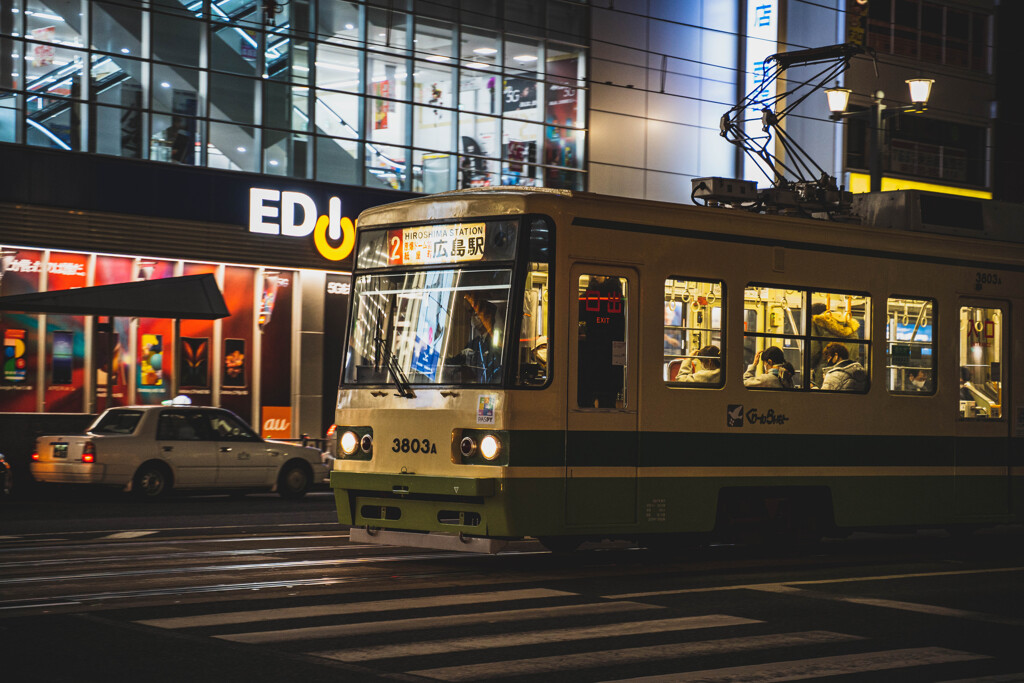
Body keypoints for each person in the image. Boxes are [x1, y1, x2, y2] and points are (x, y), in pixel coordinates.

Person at [447, 296, 501, 383]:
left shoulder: (497, 342)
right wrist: (462, 354)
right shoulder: (476, 342)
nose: (473, 318)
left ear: (488, 317)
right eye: (472, 315)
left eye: (476, 315)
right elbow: (455, 361)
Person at [809, 303, 860, 386]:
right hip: (850, 375)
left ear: (813, 316)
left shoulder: (817, 324)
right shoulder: (852, 328)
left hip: (825, 374)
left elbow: (814, 352)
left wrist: (809, 365)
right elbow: (855, 355)